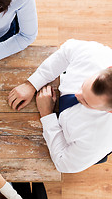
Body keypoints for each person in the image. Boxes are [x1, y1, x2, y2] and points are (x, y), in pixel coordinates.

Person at [8, 39, 112, 173]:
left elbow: (63, 163)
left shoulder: (98, 139)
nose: (77, 95)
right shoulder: (95, 54)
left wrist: (46, 115)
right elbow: (66, 52)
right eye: (83, 86)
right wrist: (33, 83)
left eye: (86, 102)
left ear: (109, 111)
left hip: (80, 147)